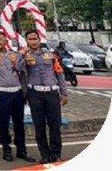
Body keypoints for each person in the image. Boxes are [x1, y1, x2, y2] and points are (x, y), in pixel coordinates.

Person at [0, 30, 36, 162]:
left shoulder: (14, 54)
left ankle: (21, 150)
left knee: (19, 123)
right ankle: (6, 148)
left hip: (17, 93)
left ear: (6, 41)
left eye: (0, 39)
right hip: (2, 93)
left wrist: (24, 91)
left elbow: (21, 72)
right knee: (4, 123)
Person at [23, 30, 69, 164]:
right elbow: (19, 70)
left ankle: (55, 154)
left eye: (35, 38)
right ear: (26, 41)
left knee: (55, 125)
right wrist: (23, 55)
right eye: (30, 39)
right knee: (39, 126)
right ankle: (44, 154)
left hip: (51, 94)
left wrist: (64, 92)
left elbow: (59, 73)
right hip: (35, 94)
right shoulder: (25, 56)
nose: (33, 41)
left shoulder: (51, 55)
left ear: (39, 40)